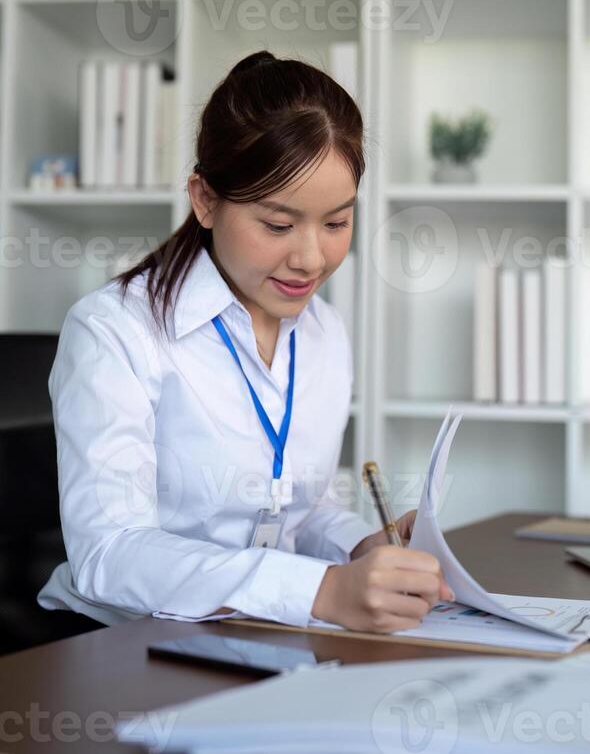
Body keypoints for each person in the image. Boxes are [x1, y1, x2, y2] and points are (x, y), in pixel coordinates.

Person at [38, 50, 452, 633]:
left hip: (254, 635)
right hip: (117, 640)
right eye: (278, 225)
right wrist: (319, 591)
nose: (311, 259)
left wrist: (364, 551)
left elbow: (301, 511)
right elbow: (109, 554)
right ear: (205, 200)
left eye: (337, 223)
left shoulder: (324, 334)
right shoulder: (115, 330)